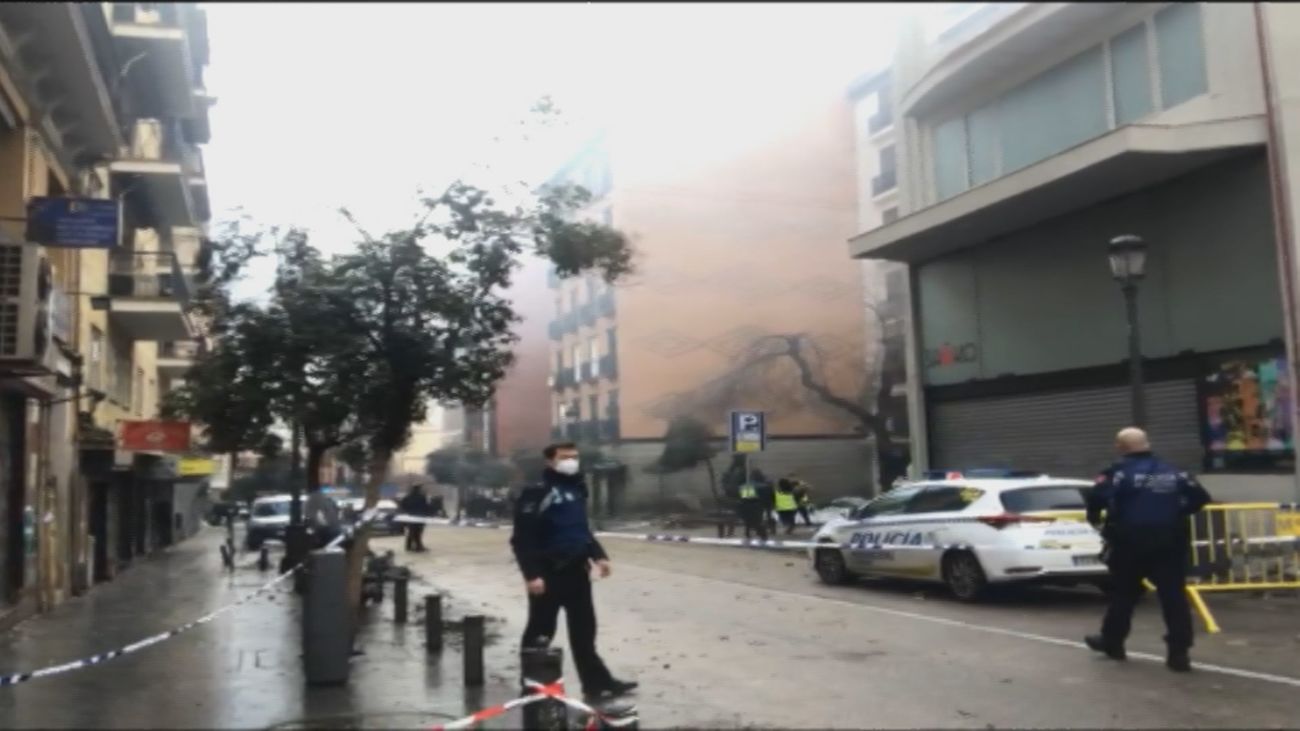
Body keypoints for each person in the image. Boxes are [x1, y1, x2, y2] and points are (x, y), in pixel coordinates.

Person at [511, 442, 637, 702]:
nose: (572, 461)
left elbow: (580, 529)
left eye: (575, 457)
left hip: (577, 572)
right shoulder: (537, 492)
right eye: (565, 457)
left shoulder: (577, 488)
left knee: (584, 632)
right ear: (550, 462)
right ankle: (533, 686)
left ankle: (597, 684)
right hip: (547, 574)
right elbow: (522, 539)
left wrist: (599, 555)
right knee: (540, 631)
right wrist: (531, 574)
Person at [1085, 427, 1211, 673]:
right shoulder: (1173, 471)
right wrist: (1177, 513)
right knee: (1173, 596)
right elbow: (1200, 497)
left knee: (1124, 594)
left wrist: (1097, 520)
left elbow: (1096, 498)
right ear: (1146, 444)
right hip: (1169, 541)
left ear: (1121, 447)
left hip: (1130, 542)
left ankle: (1113, 641)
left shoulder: (1117, 473)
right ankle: (1179, 653)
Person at [400, 484, 432, 552]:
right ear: (419, 489)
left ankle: (408, 546)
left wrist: (407, 512)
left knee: (411, 532)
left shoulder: (407, 497)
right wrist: (428, 514)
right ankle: (418, 546)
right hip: (420, 517)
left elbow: (402, 505)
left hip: (410, 517)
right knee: (418, 532)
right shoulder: (421, 497)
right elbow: (426, 507)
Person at [736, 478, 769, 542]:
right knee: (756, 524)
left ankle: (750, 534)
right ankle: (761, 536)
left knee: (752, 523)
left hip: (749, 511)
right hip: (752, 511)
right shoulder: (754, 499)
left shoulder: (745, 495)